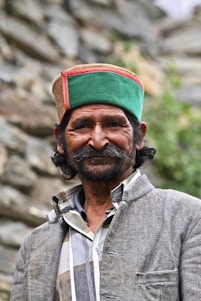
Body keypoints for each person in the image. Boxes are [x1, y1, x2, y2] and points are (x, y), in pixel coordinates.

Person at [10, 63, 201, 301]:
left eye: (113, 124)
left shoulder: (189, 219)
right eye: (82, 126)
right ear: (60, 140)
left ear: (139, 136)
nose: (98, 140)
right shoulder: (36, 245)